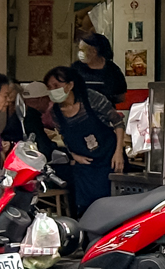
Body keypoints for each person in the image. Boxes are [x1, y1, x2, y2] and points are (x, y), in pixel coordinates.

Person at [45, 64, 125, 215]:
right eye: (49, 87)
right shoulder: (56, 113)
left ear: (70, 85)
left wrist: (118, 152)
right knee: (86, 209)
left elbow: (118, 122)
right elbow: (63, 136)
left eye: (56, 85)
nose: (52, 90)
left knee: (111, 207)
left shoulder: (91, 99)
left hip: (109, 159)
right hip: (85, 167)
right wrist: (74, 156)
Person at [75, 33, 128, 105]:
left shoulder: (112, 70)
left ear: (94, 51)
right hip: (82, 113)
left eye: (82, 50)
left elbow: (120, 97)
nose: (80, 53)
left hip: (106, 113)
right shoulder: (76, 68)